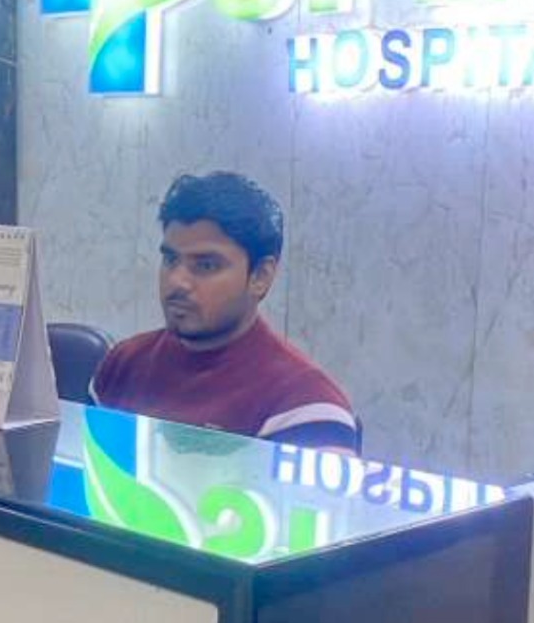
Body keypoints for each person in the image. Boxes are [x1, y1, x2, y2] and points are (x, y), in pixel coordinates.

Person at [91, 172, 360, 451]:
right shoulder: (123, 364)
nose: (177, 281)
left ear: (261, 276)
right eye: (170, 259)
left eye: (206, 265)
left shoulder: (306, 405)